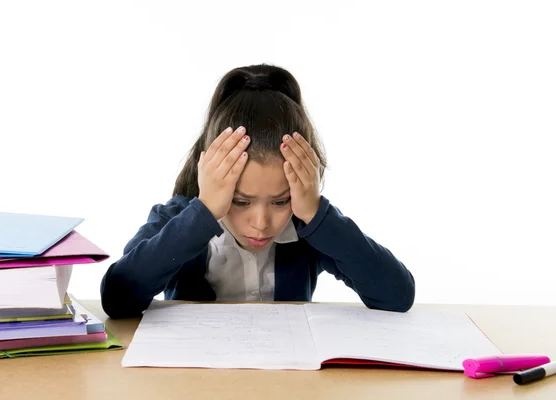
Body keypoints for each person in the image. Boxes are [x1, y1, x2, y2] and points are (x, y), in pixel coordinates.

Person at [100, 64, 415, 318]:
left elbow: (397, 296)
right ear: (212, 176)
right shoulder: (180, 219)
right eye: (240, 201)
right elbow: (117, 298)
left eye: (280, 201)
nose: (261, 222)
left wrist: (315, 214)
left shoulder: (309, 228)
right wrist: (205, 212)